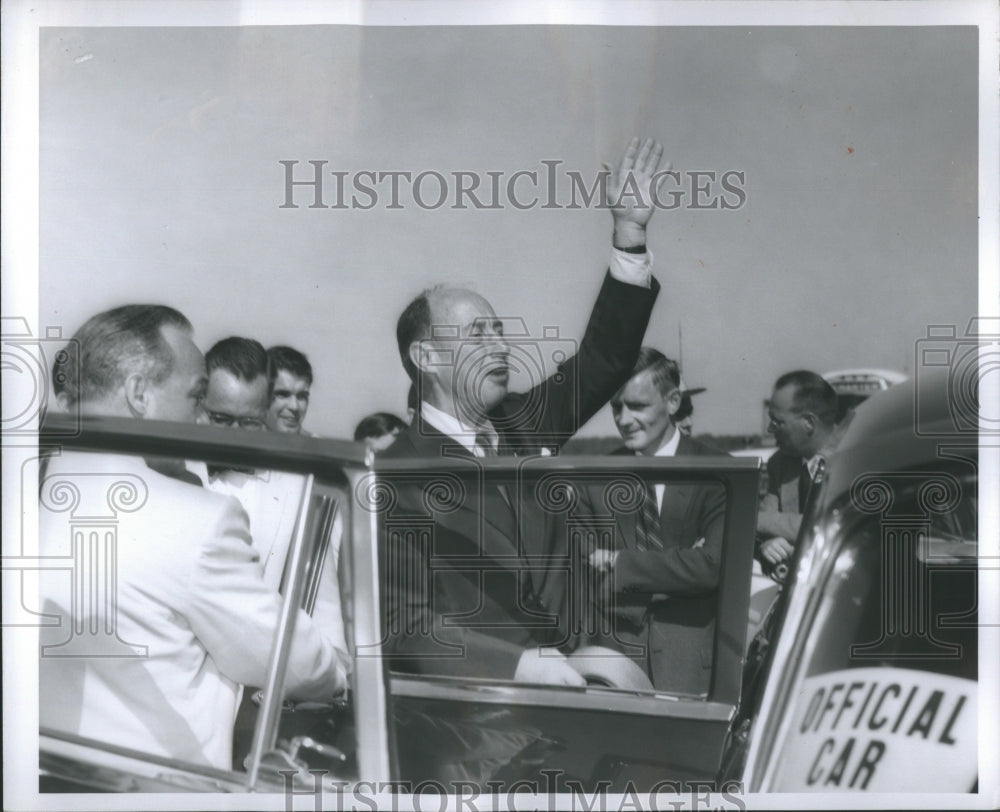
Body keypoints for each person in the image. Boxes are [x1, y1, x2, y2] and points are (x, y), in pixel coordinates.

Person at [379, 137, 666, 686]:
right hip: (479, 728)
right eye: (475, 334)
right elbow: (401, 626)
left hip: (587, 698)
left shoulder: (522, 423)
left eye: (499, 331)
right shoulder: (393, 476)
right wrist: (520, 667)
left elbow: (605, 357)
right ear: (426, 358)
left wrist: (629, 237)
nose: (499, 346)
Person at [37, 305, 345, 770]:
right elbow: (292, 658)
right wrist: (340, 672)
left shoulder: (24, 492)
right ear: (140, 394)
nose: (198, 415)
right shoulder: (196, 519)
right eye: (196, 396)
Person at [581, 349, 726, 695]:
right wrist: (681, 566)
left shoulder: (719, 472)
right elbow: (581, 567)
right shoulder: (596, 476)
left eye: (638, 406)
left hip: (688, 667)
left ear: (673, 402)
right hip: (612, 667)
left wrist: (618, 562)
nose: (624, 419)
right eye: (617, 407)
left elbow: (714, 567)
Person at [756, 370, 839, 569]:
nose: (769, 429)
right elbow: (766, 523)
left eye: (778, 422)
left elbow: (828, 526)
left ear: (808, 423)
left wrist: (753, 519)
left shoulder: (855, 460)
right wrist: (767, 544)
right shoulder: (780, 463)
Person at [266, 345, 313, 435]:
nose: (294, 406)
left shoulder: (319, 448)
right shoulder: (239, 444)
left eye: (302, 396)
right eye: (283, 394)